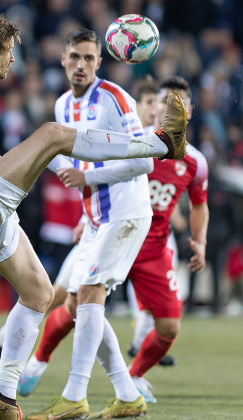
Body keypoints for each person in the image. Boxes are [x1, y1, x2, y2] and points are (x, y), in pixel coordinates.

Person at [0, 9, 187, 418]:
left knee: (39, 294)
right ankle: (161, 144)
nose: (14, 60)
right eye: (9, 52)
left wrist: (9, 163)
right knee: (52, 134)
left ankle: (4, 394)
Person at [23, 28, 154, 419]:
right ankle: (128, 396)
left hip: (126, 214)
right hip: (97, 219)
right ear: (62, 59)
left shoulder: (115, 98)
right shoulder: (63, 105)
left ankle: (75, 395)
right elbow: (75, 163)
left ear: (100, 62)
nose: (81, 65)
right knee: (79, 305)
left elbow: (145, 159)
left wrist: (89, 178)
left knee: (91, 292)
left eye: (89, 59)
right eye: (74, 57)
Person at [127, 77, 209, 403]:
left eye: (176, 102)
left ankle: (133, 376)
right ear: (153, 106)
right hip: (116, 239)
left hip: (154, 250)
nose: (166, 107)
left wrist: (199, 240)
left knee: (170, 328)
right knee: (71, 303)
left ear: (187, 111)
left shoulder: (195, 161)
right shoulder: (132, 142)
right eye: (162, 100)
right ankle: (34, 364)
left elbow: (200, 204)